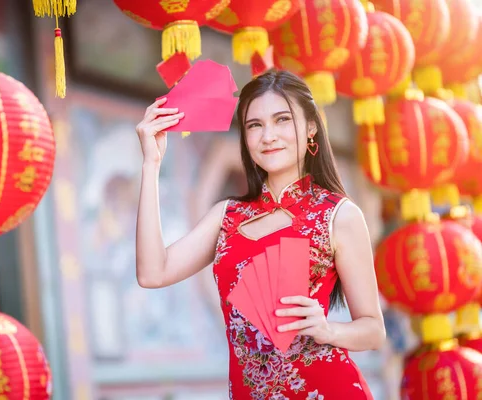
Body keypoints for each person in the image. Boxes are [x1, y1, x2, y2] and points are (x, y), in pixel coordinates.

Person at [134, 70, 385, 399]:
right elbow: (153, 272)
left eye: (282, 120)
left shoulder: (338, 215)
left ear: (311, 128)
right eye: (255, 125)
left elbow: (373, 329)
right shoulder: (227, 216)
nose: (268, 136)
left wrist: (329, 329)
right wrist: (151, 164)